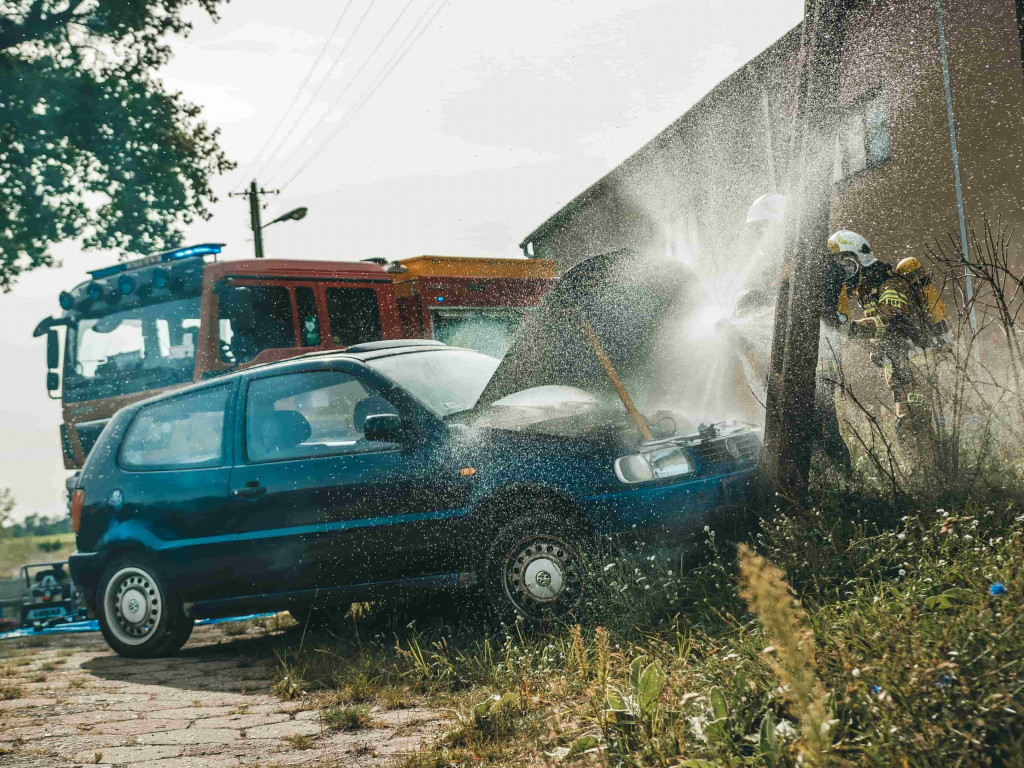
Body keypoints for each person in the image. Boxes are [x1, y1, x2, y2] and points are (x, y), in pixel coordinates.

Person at [826, 230, 937, 442]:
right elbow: (880, 334)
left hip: (917, 368)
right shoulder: (868, 292)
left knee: (912, 427)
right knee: (913, 429)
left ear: (862, 259)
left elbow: (890, 320)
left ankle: (932, 462)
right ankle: (933, 462)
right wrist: (872, 347)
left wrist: (851, 329)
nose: (845, 275)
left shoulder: (890, 284)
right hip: (902, 372)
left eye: (849, 267)